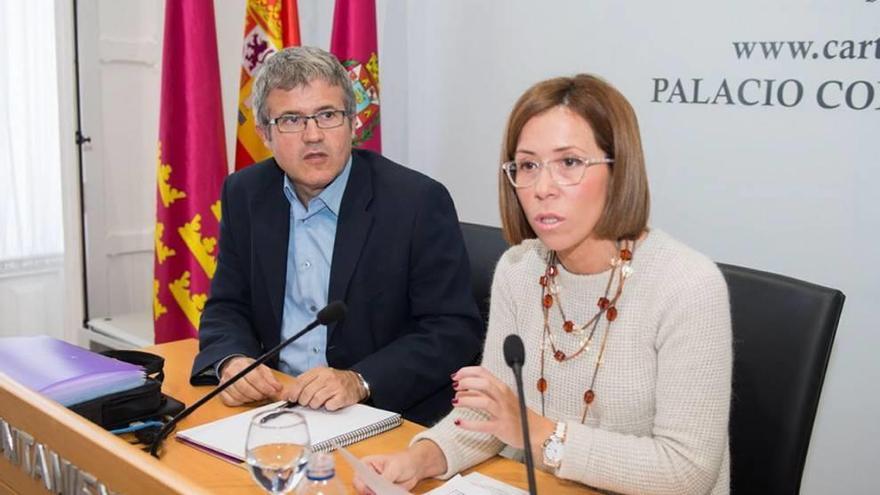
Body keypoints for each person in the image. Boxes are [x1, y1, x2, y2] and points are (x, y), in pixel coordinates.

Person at [355, 74, 732, 494]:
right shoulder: (519, 270)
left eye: (569, 163)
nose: (542, 188)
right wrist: (419, 458)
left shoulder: (688, 285)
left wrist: (539, 433)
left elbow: (687, 471)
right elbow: (494, 419)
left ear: (619, 169)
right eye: (528, 166)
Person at [190, 46, 484, 426]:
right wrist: (231, 360)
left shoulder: (416, 202)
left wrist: (360, 380)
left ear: (353, 123)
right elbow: (228, 304)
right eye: (292, 120)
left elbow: (453, 330)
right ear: (265, 133)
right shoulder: (245, 193)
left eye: (328, 115)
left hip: (387, 417)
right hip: (277, 403)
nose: (313, 135)